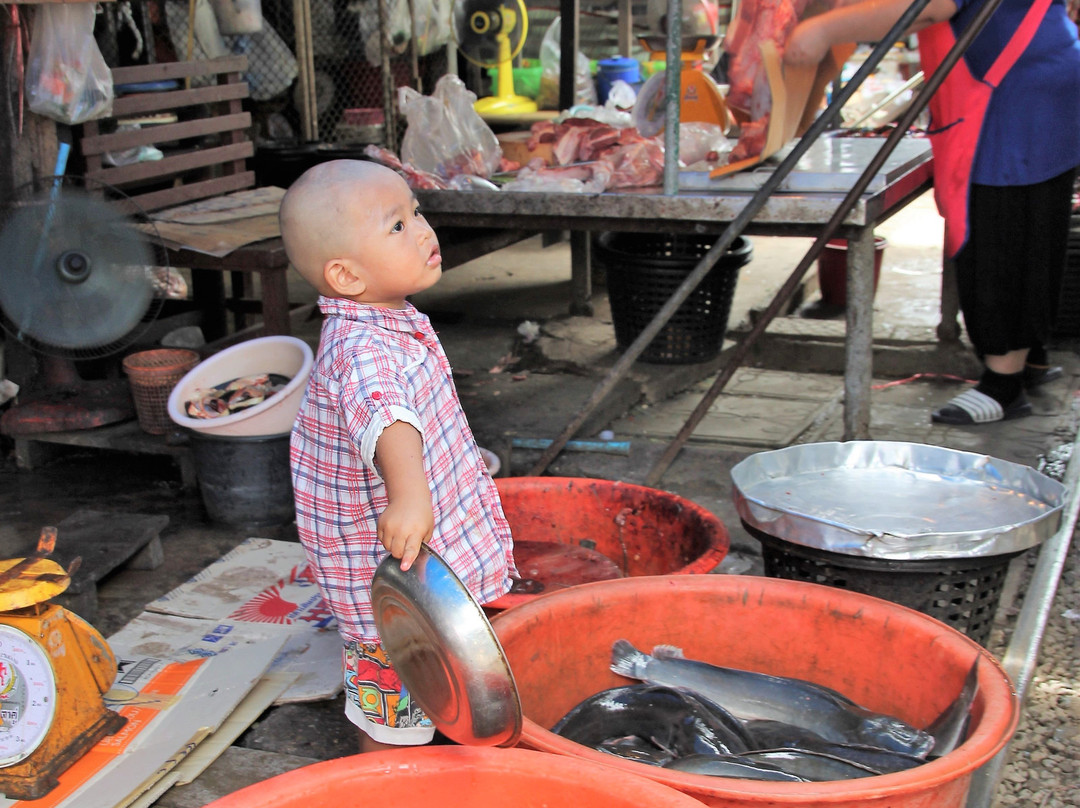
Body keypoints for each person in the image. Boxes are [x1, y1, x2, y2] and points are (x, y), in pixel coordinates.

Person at [279, 159, 516, 752]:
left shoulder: (387, 316)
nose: (423, 231)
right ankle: (384, 783)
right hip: (387, 565)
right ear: (347, 274)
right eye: (397, 226)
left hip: (413, 553)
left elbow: (414, 411)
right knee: (396, 690)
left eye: (417, 213)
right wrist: (410, 494)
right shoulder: (361, 347)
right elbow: (386, 416)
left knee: (436, 673)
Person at [784, 0, 1080, 424]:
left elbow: (932, 6)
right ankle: (1028, 357)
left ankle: (1004, 384)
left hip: (1010, 98)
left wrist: (822, 29)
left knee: (1001, 235)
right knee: (1034, 227)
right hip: (1040, 76)